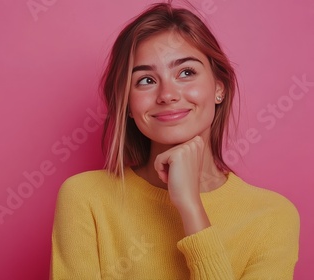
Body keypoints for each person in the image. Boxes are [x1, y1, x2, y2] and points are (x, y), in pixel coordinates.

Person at [50, 2, 300, 279]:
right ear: (127, 105)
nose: (167, 94)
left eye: (186, 73)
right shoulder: (85, 197)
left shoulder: (273, 217)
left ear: (219, 88)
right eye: (145, 80)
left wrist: (190, 207)